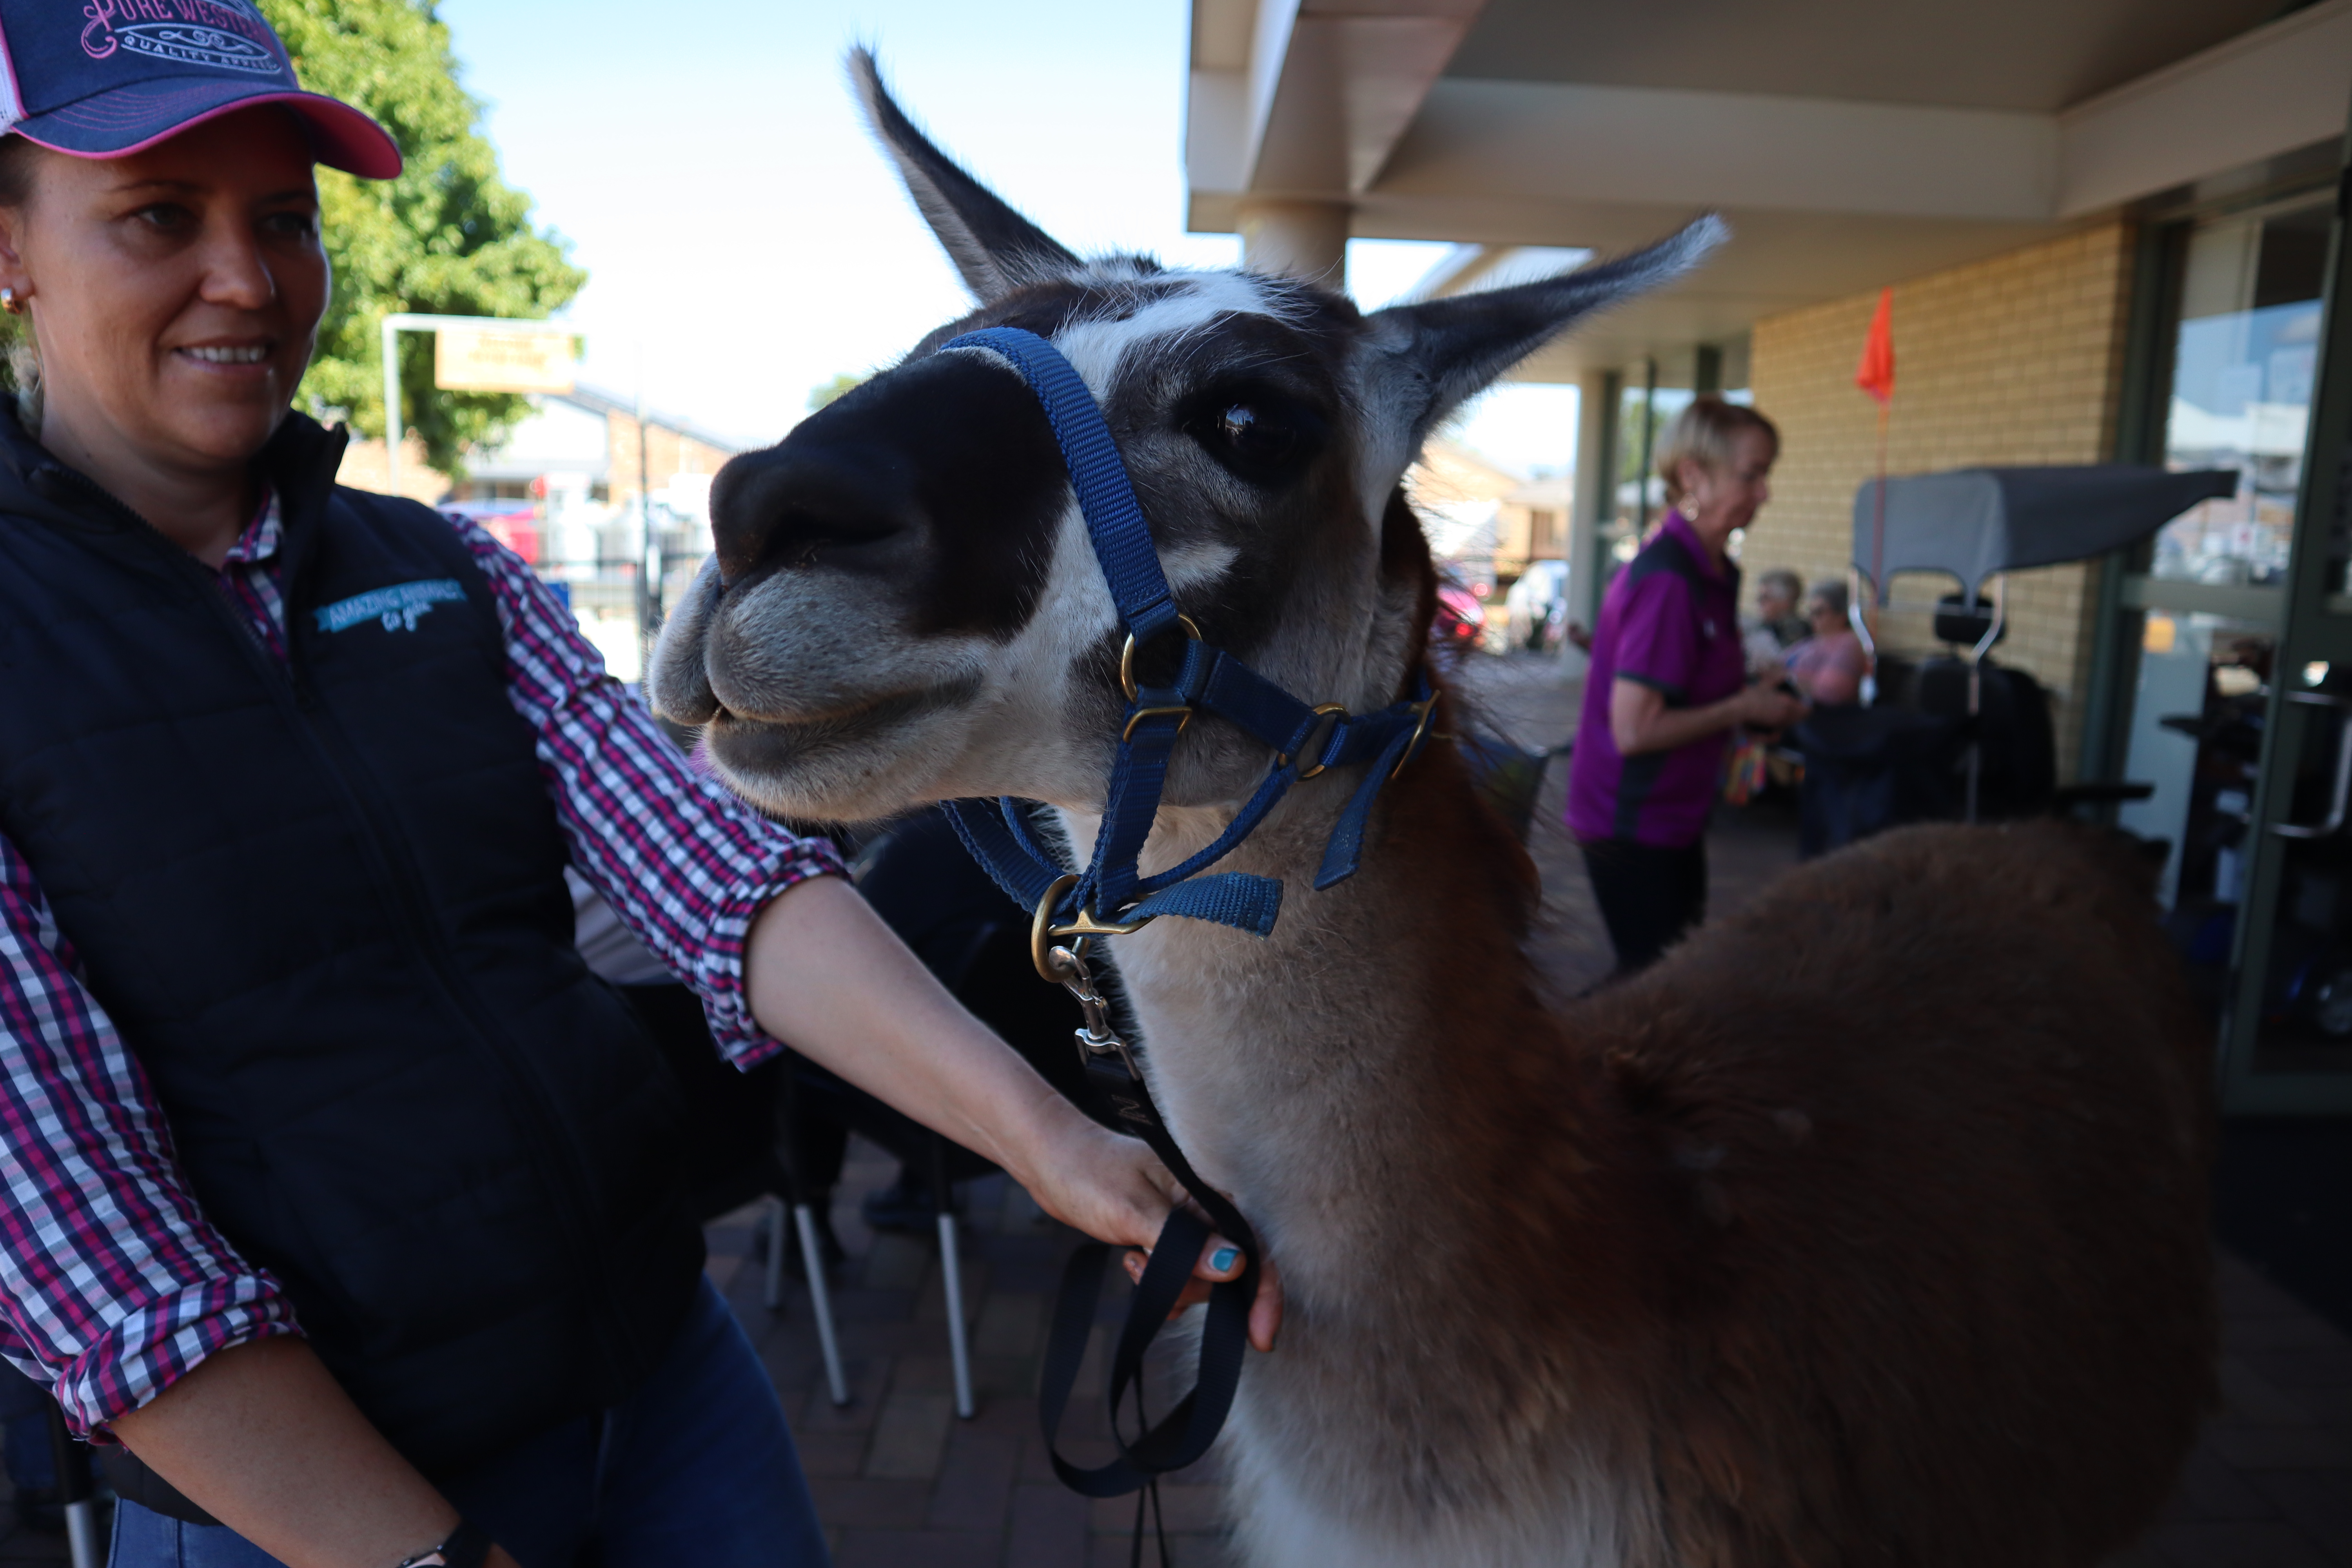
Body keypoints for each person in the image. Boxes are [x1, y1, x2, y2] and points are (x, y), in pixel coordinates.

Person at [0, 16, 1274, 1568]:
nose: (249, 280)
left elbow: (724, 880)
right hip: (303, 1509)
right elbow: (88, 1247)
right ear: (13, 246)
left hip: (664, 1379)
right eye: (158, 215)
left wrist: (1054, 1143)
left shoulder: (444, 569)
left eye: (283, 218)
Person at [1564, 398, 1806, 974]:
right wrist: (1744, 705)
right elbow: (1635, 729)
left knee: (1667, 974)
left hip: (1673, 813)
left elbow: (1688, 684)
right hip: (1632, 820)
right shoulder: (1671, 579)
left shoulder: (1713, 570)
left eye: (1766, 475)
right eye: (1752, 475)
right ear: (1694, 474)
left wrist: (1753, 694)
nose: (1765, 493)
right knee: (1654, 985)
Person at [1784, 578, 1870, 706]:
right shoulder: (1813, 641)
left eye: (1819, 612)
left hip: (1822, 715)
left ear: (1842, 614)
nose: (1812, 618)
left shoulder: (1848, 645)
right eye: (1810, 612)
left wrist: (1789, 679)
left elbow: (1832, 691)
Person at [1742, 567, 1807, 674]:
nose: (1758, 602)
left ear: (1785, 602)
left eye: (1765, 598)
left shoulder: (1796, 632)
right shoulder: (1762, 626)